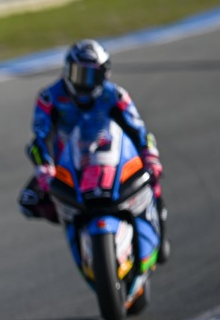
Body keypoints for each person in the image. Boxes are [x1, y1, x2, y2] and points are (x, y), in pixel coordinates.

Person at [18, 39, 169, 262]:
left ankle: (160, 235)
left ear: (103, 75)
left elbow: (139, 130)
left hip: (112, 157)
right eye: (77, 72)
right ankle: (74, 221)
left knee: (151, 180)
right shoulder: (49, 98)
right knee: (28, 201)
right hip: (67, 163)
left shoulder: (115, 95)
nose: (83, 82)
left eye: (91, 75)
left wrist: (150, 156)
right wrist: (44, 168)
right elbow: (40, 138)